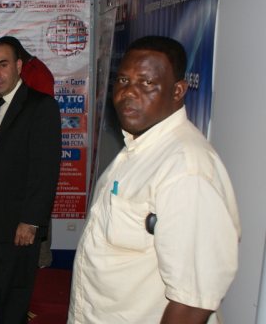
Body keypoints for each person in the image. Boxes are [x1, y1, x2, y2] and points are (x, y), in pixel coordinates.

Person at [68, 36, 241, 324]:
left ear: (178, 91)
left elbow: (192, 302)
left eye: (147, 83)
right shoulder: (139, 148)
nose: (128, 92)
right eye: (123, 80)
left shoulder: (186, 170)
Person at [0, 39, 61, 324]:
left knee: (16, 291)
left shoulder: (41, 106)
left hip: (19, 220)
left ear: (19, 66)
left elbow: (45, 170)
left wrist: (31, 221)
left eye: (3, 65)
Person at [0, 35, 55, 268]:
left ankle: (42, 265)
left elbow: (37, 115)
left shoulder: (38, 73)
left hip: (32, 157)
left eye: (5, 62)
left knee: (36, 218)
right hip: (15, 167)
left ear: (17, 57)